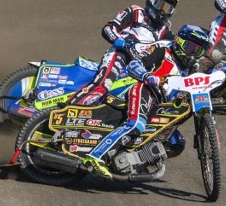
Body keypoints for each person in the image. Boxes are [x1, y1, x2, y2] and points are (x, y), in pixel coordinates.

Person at [81, 34, 197, 179]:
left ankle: (133, 162)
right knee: (136, 124)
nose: (193, 55)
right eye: (191, 48)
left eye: (198, 51)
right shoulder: (163, 52)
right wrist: (148, 76)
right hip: (145, 91)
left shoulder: (189, 71)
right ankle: (95, 157)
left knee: (176, 143)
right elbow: (134, 65)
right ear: (180, 43)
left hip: (159, 106)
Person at [67, 0, 179, 106]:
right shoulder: (136, 12)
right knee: (104, 84)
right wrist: (121, 42)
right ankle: (71, 106)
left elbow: (181, 47)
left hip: (140, 66)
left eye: (167, 8)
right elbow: (109, 28)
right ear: (150, 1)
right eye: (160, 4)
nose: (162, 11)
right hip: (120, 55)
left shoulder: (166, 32)